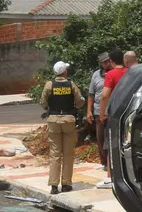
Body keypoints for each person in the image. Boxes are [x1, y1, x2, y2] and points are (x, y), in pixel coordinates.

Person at [40, 61, 84, 195]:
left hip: (53, 121)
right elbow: (80, 102)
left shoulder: (49, 85)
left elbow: (43, 103)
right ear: (64, 71)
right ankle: (66, 184)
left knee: (54, 153)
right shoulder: (71, 85)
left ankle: (54, 185)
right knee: (68, 153)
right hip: (68, 121)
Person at [98, 48, 128, 189]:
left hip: (114, 114)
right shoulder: (130, 72)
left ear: (111, 61)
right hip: (128, 113)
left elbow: (104, 95)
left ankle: (110, 177)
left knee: (111, 145)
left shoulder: (110, 74)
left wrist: (103, 114)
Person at [86, 51, 111, 168]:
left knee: (111, 137)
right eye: (104, 62)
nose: (106, 64)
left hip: (111, 111)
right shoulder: (96, 75)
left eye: (107, 61)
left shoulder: (114, 73)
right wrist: (89, 111)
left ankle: (112, 163)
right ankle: (104, 162)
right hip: (98, 112)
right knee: (100, 137)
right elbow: (91, 94)